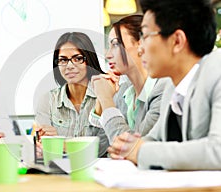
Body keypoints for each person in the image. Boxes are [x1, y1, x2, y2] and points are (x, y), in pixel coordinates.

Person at [108, 0, 221, 170]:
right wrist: (127, 147)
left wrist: (140, 151)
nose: (141, 49)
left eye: (145, 36)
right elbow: (155, 139)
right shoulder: (172, 84)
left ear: (177, 41)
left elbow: (217, 151)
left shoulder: (217, 69)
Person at [89, 15, 170, 153]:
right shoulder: (122, 93)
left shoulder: (164, 89)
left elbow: (131, 149)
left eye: (115, 44)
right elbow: (96, 151)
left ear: (142, 44)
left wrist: (106, 100)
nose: (108, 55)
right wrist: (100, 103)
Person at [35, 32, 107, 155]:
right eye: (63, 60)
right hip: (58, 170)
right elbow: (43, 147)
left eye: (77, 58)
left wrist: (60, 145)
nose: (69, 66)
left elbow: (104, 146)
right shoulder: (47, 100)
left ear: (88, 60)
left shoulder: (105, 96)